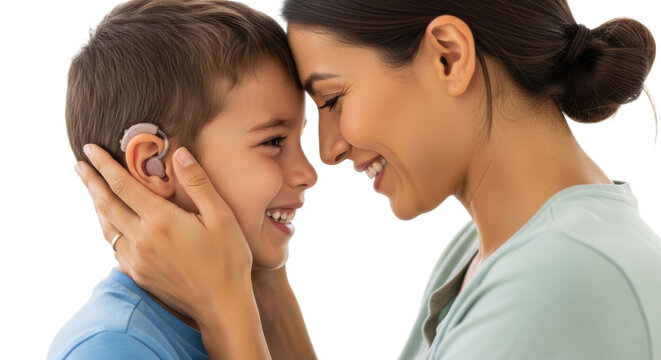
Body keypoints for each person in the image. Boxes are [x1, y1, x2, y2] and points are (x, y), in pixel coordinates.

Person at [73, 0, 661, 359]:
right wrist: (261, 284)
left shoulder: (561, 277)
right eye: (277, 138)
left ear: (448, 57)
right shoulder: (484, 250)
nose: (325, 154)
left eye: (331, 98)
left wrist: (231, 312)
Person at [48, 0, 317, 359]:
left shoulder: (246, 321)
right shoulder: (113, 348)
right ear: (153, 165)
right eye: (273, 142)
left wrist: (244, 299)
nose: (308, 174)